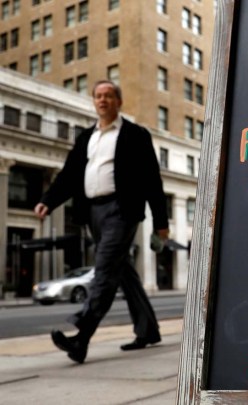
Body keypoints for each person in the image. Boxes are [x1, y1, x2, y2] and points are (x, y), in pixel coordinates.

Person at [34, 80, 169, 364]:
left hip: (122, 209)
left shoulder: (135, 135)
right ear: (94, 102)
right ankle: (148, 330)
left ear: (119, 101)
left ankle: (81, 336)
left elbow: (152, 179)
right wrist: (49, 199)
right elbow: (69, 175)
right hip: (92, 211)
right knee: (122, 272)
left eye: (109, 95)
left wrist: (161, 221)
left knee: (105, 268)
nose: (103, 100)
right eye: (98, 96)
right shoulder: (86, 138)